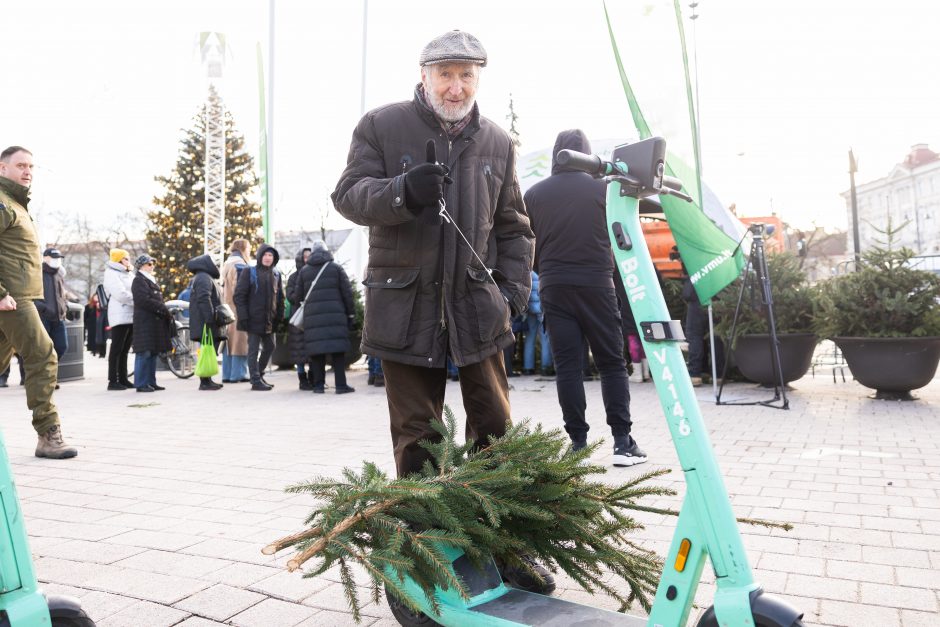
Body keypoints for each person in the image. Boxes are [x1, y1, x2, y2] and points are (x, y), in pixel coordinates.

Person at [332, 31, 548, 593]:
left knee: (495, 432)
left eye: (467, 75)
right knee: (418, 436)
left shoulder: (498, 141)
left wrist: (512, 292)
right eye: (445, 74)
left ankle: (503, 549)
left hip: (479, 310)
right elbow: (349, 195)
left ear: (479, 79)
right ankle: (429, 556)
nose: (456, 86)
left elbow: (514, 228)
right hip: (404, 310)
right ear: (424, 76)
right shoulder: (382, 125)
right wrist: (403, 191)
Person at [523, 129, 646, 467]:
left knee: (568, 368)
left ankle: (577, 444)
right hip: (597, 284)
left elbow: (527, 247)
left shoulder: (533, 194)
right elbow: (624, 240)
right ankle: (622, 442)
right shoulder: (605, 191)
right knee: (611, 364)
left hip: (554, 285)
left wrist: (546, 267)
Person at [0, 145, 77, 458]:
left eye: (31, 166)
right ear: (2, 168)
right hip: (12, 298)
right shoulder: (3, 204)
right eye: (20, 165)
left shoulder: (17, 205)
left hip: (18, 295)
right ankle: (48, 435)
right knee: (44, 354)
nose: (27, 171)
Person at [290, 240, 356, 394]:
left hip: (313, 318)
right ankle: (340, 385)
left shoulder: (304, 271)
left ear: (312, 253)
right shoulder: (336, 268)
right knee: (338, 353)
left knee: (317, 353)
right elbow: (347, 294)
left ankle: (318, 386)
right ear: (327, 252)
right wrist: (351, 314)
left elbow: (298, 296)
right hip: (336, 317)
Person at [233, 244, 283, 391]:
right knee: (253, 350)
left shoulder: (276, 274)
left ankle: (259, 374)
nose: (268, 258)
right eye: (265, 255)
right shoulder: (250, 272)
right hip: (252, 319)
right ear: (260, 256)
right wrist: (244, 316)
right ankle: (255, 380)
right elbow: (239, 296)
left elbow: (280, 297)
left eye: (271, 255)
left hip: (269, 320)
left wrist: (279, 317)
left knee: (270, 346)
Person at [131, 255, 172, 392]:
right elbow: (142, 300)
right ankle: (141, 383)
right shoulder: (138, 280)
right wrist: (162, 307)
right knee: (144, 353)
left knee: (153, 352)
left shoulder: (149, 280)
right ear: (141, 266)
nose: (152, 266)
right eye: (149, 264)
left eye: (152, 263)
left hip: (154, 321)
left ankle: (150, 382)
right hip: (144, 321)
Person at [187, 254, 225, 391]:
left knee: (208, 350)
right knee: (207, 350)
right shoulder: (204, 277)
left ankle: (207, 379)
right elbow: (204, 298)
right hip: (206, 321)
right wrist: (210, 319)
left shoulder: (203, 277)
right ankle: (204, 382)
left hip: (205, 320)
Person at [103, 248, 135, 391]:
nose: (128, 260)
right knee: (117, 348)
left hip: (130, 313)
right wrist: (136, 300)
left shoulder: (128, 273)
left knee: (125, 349)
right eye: (126, 258)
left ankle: (123, 378)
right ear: (119, 260)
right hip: (120, 313)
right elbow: (120, 293)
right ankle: (112, 380)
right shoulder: (111, 273)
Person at [221, 239, 251, 383]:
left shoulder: (227, 264)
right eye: (249, 248)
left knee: (229, 343)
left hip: (227, 310)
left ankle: (227, 374)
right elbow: (240, 290)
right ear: (243, 248)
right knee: (240, 342)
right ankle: (239, 374)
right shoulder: (240, 265)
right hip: (238, 309)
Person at [286, 246, 313, 390]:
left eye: (309, 256)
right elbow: (290, 297)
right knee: (299, 350)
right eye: (305, 256)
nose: (307, 259)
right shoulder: (293, 277)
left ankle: (313, 376)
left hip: (313, 316)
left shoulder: (315, 274)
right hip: (299, 317)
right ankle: (302, 378)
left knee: (312, 349)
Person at [36, 248, 70, 359]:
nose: (57, 260)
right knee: (43, 348)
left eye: (59, 258)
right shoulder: (38, 273)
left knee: (62, 347)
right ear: (45, 258)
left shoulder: (59, 273)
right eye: (54, 258)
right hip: (44, 317)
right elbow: (32, 294)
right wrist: (43, 308)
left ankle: (50, 371)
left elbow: (62, 293)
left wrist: (65, 306)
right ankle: (45, 373)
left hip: (59, 318)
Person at [522, 270, 552, 375]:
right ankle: (546, 367)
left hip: (530, 311)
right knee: (545, 338)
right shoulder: (544, 272)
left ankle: (528, 368)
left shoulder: (528, 272)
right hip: (541, 310)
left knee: (530, 338)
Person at [84, 293, 107, 357]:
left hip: (100, 324)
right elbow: (86, 317)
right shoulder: (89, 306)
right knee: (93, 338)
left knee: (101, 337)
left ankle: (100, 351)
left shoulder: (102, 305)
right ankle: (93, 350)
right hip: (92, 325)